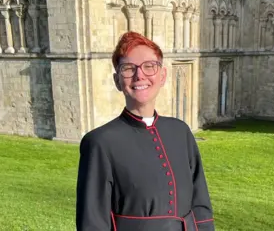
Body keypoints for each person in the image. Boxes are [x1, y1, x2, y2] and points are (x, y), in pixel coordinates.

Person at [76, 31, 215, 231]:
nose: (139, 75)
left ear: (162, 76)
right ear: (117, 80)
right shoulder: (100, 142)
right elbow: (92, 223)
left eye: (149, 66)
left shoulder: (180, 132)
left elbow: (200, 203)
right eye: (128, 68)